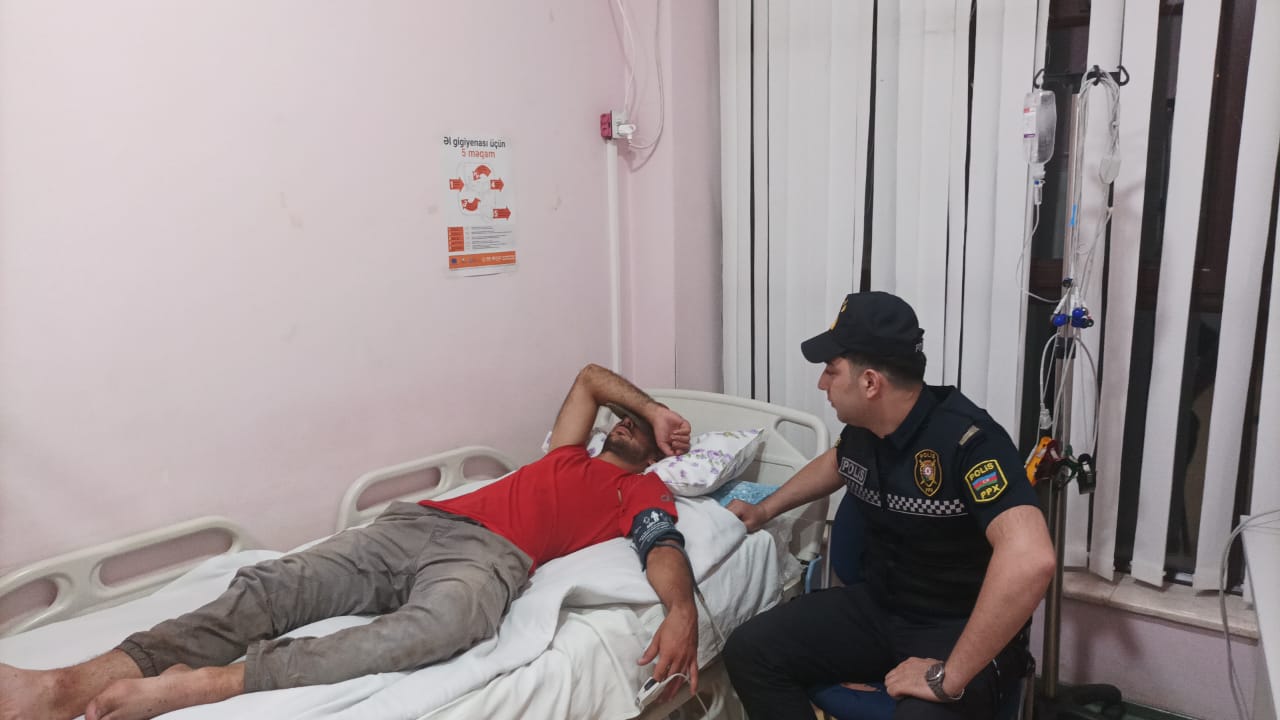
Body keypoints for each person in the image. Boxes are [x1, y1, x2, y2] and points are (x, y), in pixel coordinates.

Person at [0, 363, 700, 720]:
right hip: (417, 521)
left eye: (641, 431)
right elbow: (590, 377)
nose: (627, 424)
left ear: (655, 457)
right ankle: (64, 686)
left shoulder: (639, 491)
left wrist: (679, 609)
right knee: (276, 585)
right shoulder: (568, 451)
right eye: (626, 416)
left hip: (491, 556)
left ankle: (205, 685)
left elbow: (663, 547)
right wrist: (653, 406)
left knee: (448, 623)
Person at [722, 291, 1056, 719]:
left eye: (830, 370)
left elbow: (1031, 559)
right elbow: (838, 462)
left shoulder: (969, 442)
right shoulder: (865, 429)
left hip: (958, 626)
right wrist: (766, 509)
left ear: (870, 383)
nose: (822, 384)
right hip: (880, 608)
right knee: (750, 650)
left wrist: (947, 677)